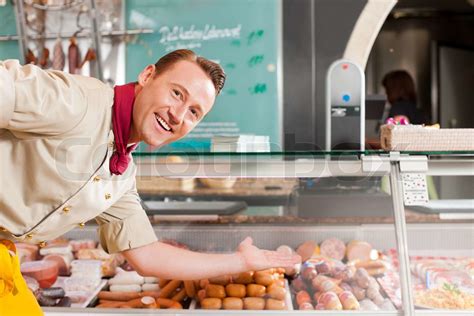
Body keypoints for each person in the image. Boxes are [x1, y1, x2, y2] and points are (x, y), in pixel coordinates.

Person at [0, 49, 301, 314]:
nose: (178, 114)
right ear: (147, 76)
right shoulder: (79, 102)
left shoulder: (119, 173)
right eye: (177, 93)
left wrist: (240, 262)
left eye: (194, 112)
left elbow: (147, 255)